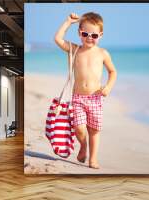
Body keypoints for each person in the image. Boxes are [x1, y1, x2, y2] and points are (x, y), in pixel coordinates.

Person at [54, 12, 117, 169]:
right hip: (78, 98)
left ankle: (93, 159)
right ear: (79, 33)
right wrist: (68, 22)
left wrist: (108, 87)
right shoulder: (74, 50)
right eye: (85, 34)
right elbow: (58, 39)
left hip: (95, 98)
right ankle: (83, 145)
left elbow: (113, 72)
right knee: (79, 129)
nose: (89, 37)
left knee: (94, 130)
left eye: (94, 35)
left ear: (100, 35)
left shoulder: (103, 53)